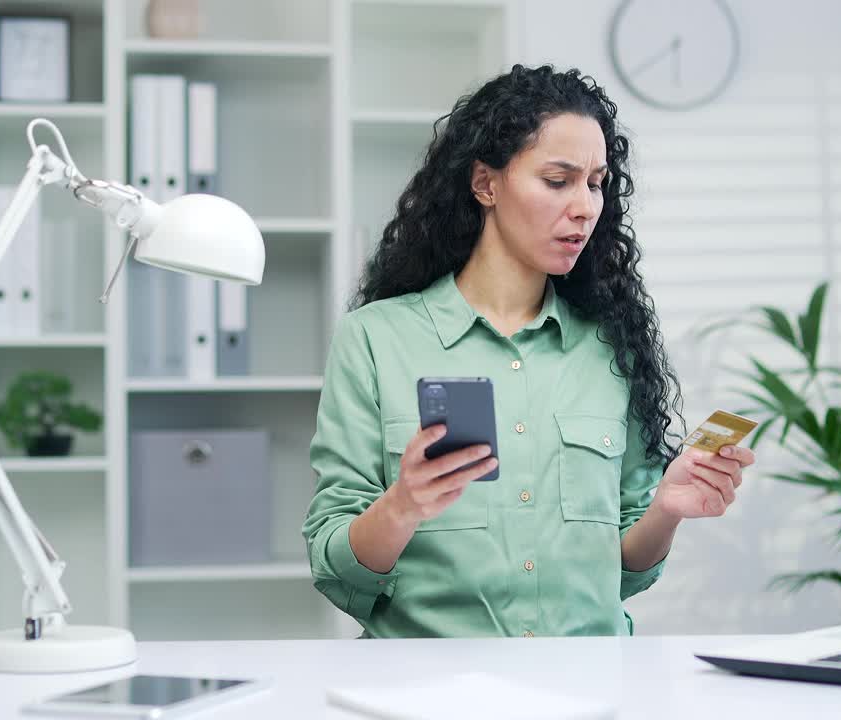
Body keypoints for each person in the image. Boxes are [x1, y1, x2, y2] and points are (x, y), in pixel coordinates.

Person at [302, 64, 755, 638]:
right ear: (486, 184)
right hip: (430, 688)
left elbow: (625, 573)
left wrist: (666, 508)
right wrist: (403, 505)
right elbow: (334, 566)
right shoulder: (375, 339)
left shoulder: (611, 346)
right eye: (557, 179)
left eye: (595, 183)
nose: (586, 206)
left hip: (591, 685)